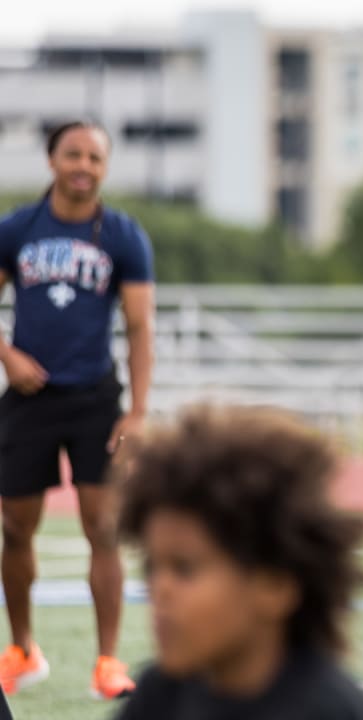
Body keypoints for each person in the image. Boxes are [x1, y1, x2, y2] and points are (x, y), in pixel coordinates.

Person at [0, 119, 154, 699]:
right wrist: (9, 356)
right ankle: (22, 648)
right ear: (52, 161)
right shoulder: (16, 229)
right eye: (73, 155)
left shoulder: (122, 235)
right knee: (15, 527)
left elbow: (140, 326)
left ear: (105, 167)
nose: (83, 165)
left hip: (95, 399)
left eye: (94, 156)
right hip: (29, 399)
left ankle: (108, 661)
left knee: (104, 529)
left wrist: (137, 411)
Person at [110, 403, 363, 720]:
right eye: (152, 568)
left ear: (274, 585)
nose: (159, 590)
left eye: (184, 569)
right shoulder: (159, 698)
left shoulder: (336, 711)